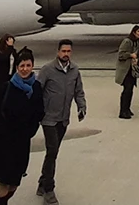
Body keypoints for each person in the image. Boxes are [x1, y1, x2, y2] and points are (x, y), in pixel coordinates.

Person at [0, 47, 44, 205]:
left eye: (28, 65)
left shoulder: (36, 88)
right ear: (16, 67)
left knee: (15, 183)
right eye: (21, 66)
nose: (25, 69)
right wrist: (0, 134)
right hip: (4, 145)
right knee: (4, 182)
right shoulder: (6, 88)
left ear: (32, 66)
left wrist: (31, 130)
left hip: (22, 143)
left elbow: (39, 112)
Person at [37, 39, 87, 204]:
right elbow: (37, 91)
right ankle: (49, 190)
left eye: (69, 51)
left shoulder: (75, 70)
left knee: (53, 152)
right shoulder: (47, 70)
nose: (66, 54)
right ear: (58, 52)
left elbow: (79, 91)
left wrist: (81, 107)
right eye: (63, 51)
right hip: (49, 118)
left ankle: (42, 182)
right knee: (52, 151)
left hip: (63, 118)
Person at [115, 25, 139, 119]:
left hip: (132, 70)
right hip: (125, 70)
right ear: (134, 32)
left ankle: (127, 109)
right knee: (126, 90)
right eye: (138, 31)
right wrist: (131, 55)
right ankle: (123, 111)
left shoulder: (137, 42)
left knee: (130, 90)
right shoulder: (127, 41)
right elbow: (121, 55)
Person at [0, 34, 17, 100]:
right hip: (0, 79)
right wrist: (10, 47)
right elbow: (4, 59)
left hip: (10, 77)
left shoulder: (12, 51)